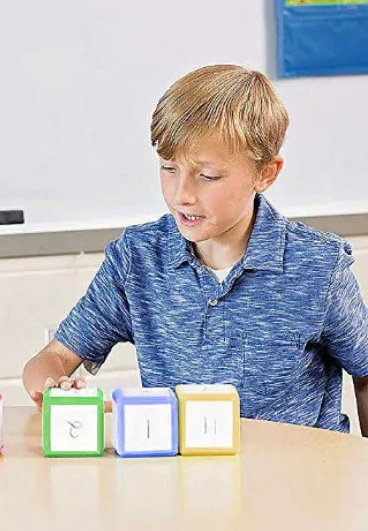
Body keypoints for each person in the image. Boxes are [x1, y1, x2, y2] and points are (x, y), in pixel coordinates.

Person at [23, 65, 368, 434]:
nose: (181, 194)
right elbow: (54, 357)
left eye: (207, 176)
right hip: (182, 483)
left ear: (265, 174)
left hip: (295, 483)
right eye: (169, 168)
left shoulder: (318, 267)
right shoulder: (136, 260)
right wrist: (53, 385)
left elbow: (366, 372)